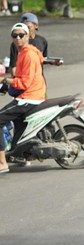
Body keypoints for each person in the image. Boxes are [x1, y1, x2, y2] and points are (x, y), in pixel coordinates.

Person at [0, 23, 46, 174]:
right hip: (32, 95)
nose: (18, 38)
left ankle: (2, 163)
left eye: (21, 35)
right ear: (12, 37)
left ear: (27, 36)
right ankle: (19, 155)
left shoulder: (28, 55)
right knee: (18, 122)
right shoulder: (24, 53)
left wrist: (5, 80)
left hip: (29, 97)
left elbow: (24, 82)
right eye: (15, 35)